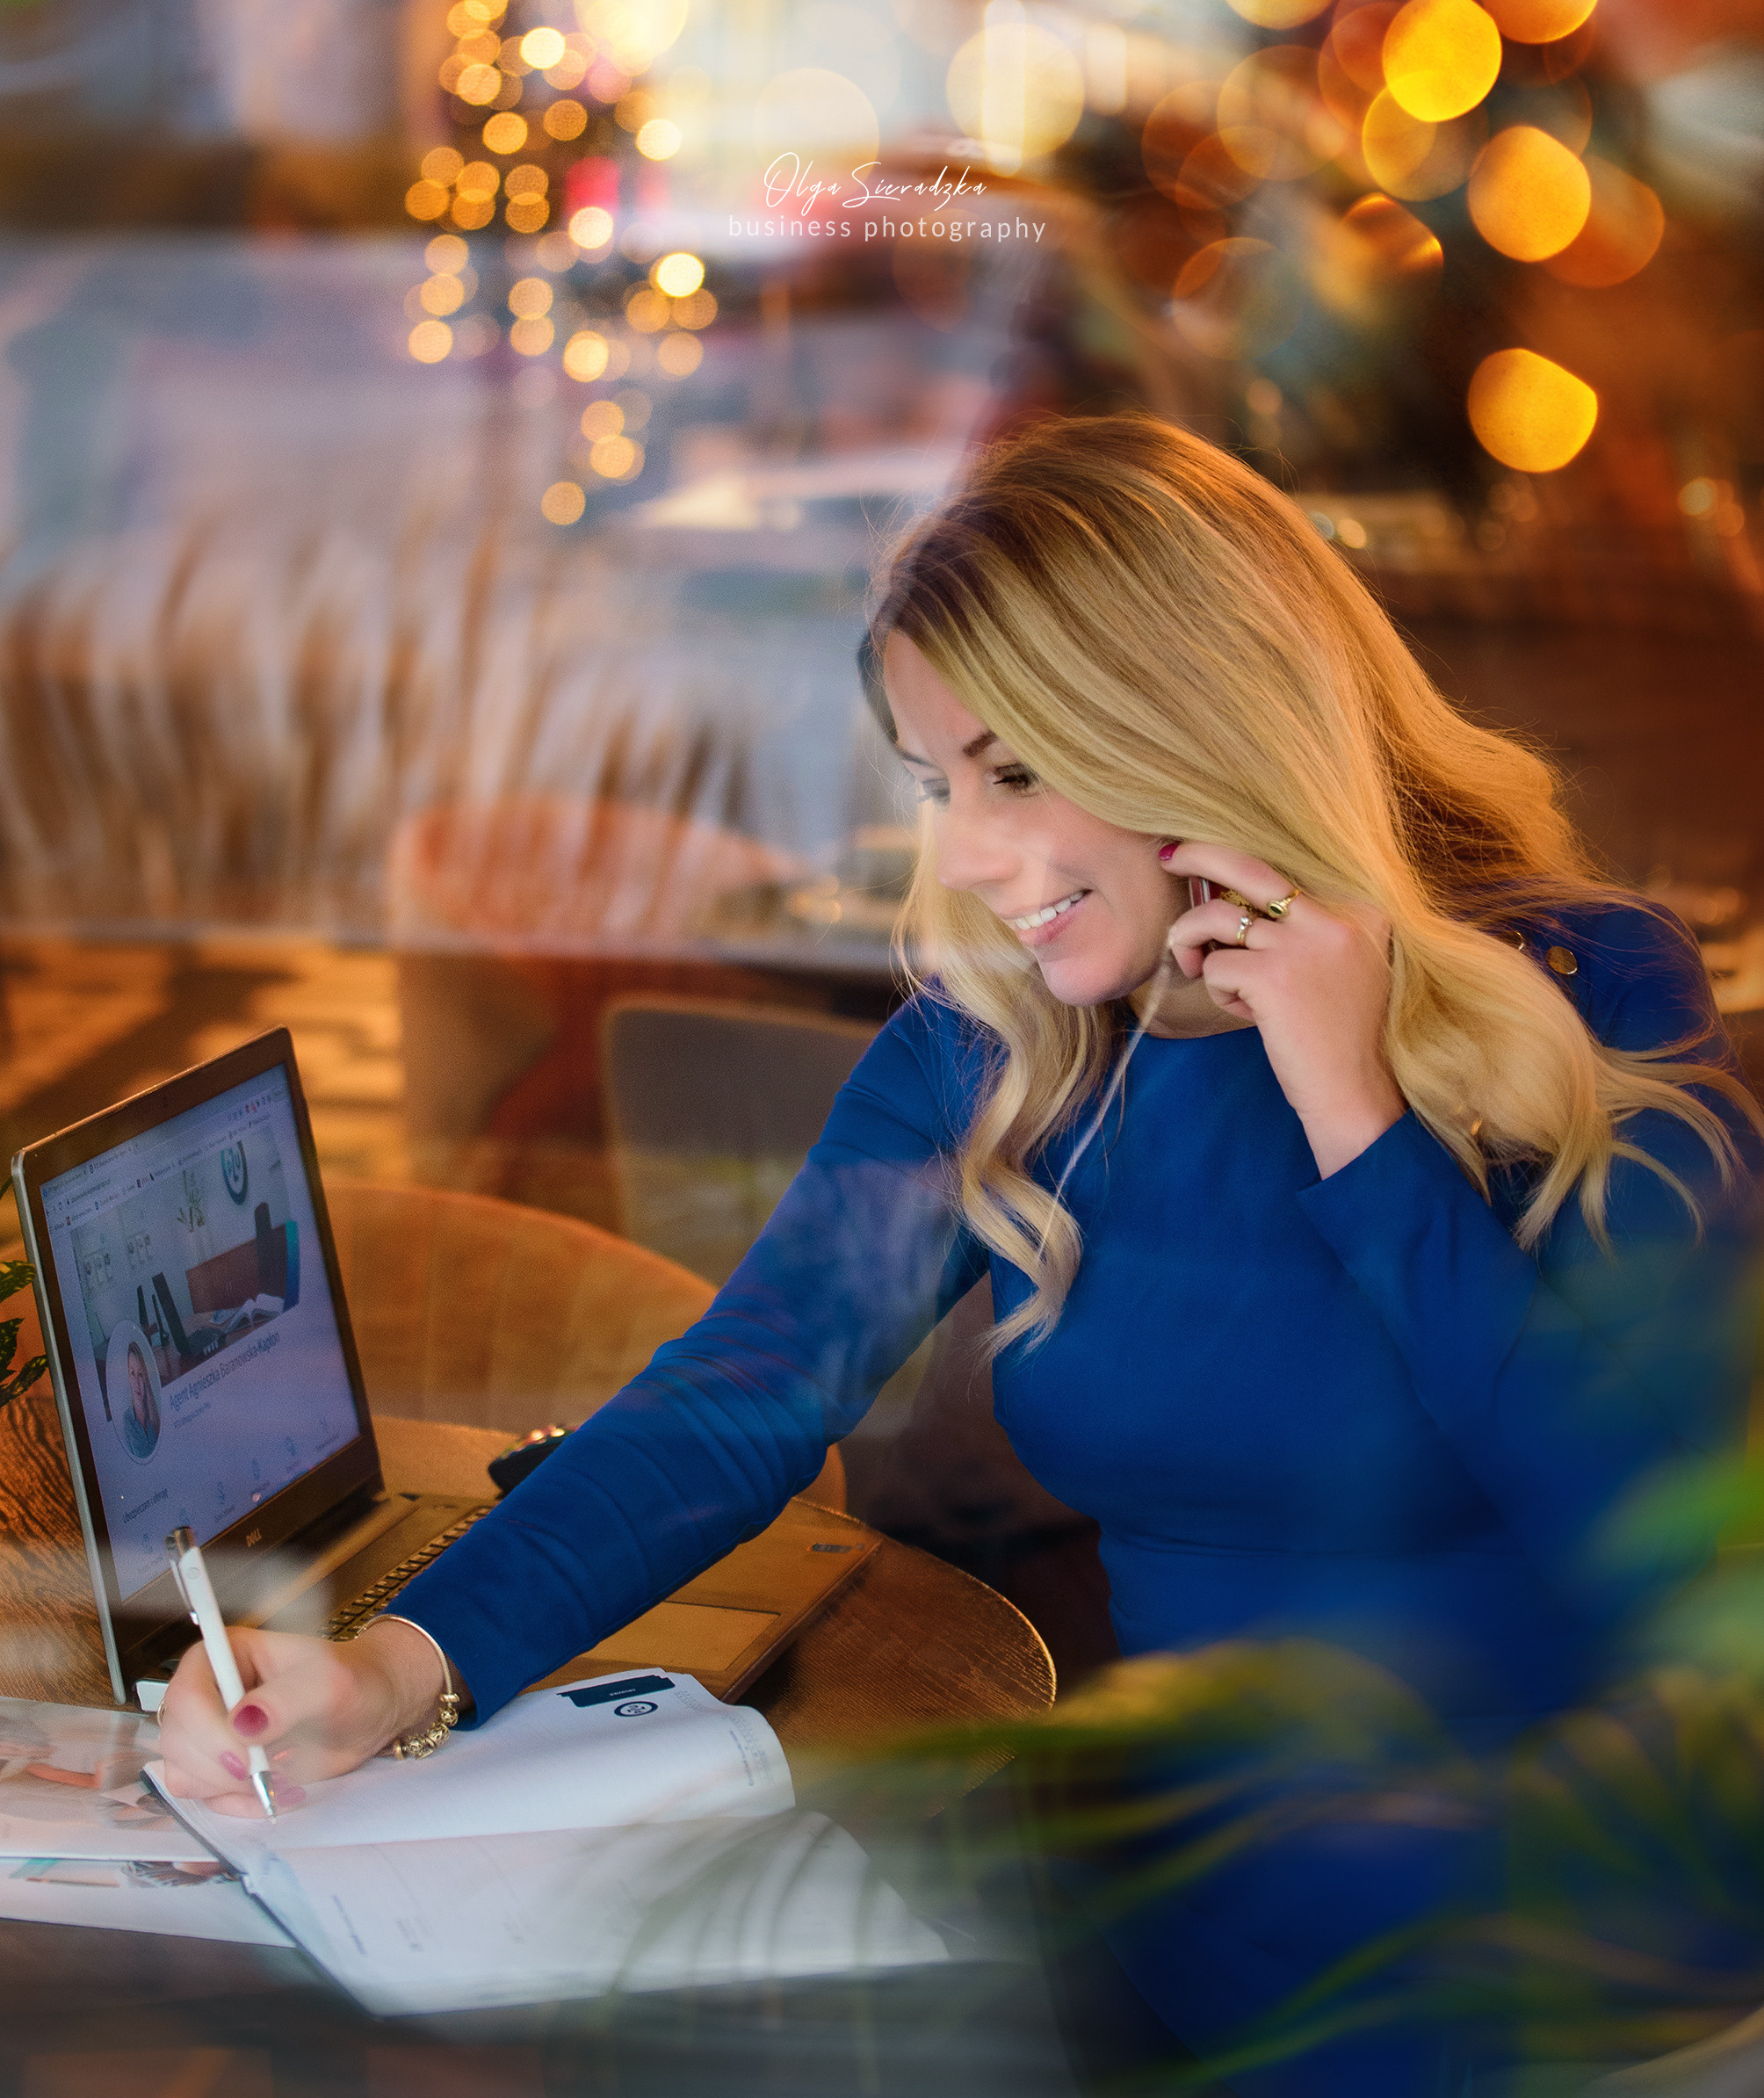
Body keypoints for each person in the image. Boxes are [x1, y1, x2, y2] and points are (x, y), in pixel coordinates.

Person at [161, 415, 1760, 2091]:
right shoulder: (994, 1046)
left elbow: (1652, 1542)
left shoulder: (1589, 995)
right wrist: (390, 1670)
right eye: (935, 787)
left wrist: (1353, 1112)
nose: (968, 861)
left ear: (1192, 723)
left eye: (1013, 770)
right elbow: (746, 1389)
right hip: (1182, 1925)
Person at [119, 1337, 160, 1460]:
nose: (137, 1382)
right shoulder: (127, 1420)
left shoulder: (156, 1413)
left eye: (140, 1374)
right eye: (132, 1373)